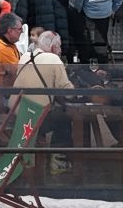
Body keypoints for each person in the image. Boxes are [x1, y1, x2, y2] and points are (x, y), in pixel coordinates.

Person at [13, 29, 76, 168]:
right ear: (53, 47)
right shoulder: (53, 59)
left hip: (17, 113)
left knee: (57, 115)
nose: (60, 51)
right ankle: (58, 161)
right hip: (35, 118)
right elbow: (68, 91)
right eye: (59, 47)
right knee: (64, 118)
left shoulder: (25, 57)